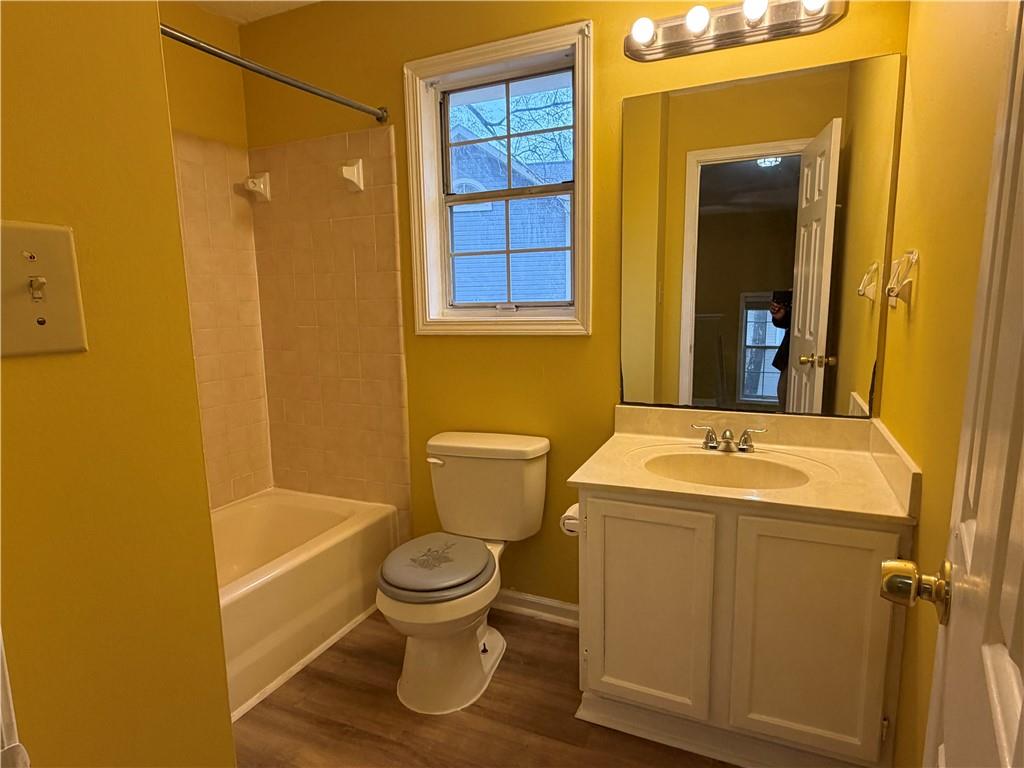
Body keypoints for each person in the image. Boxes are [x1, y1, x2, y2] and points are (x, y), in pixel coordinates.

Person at [769, 298, 791, 411]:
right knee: (783, 394)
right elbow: (788, 322)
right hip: (789, 355)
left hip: (799, 354)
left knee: (784, 393)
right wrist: (780, 315)